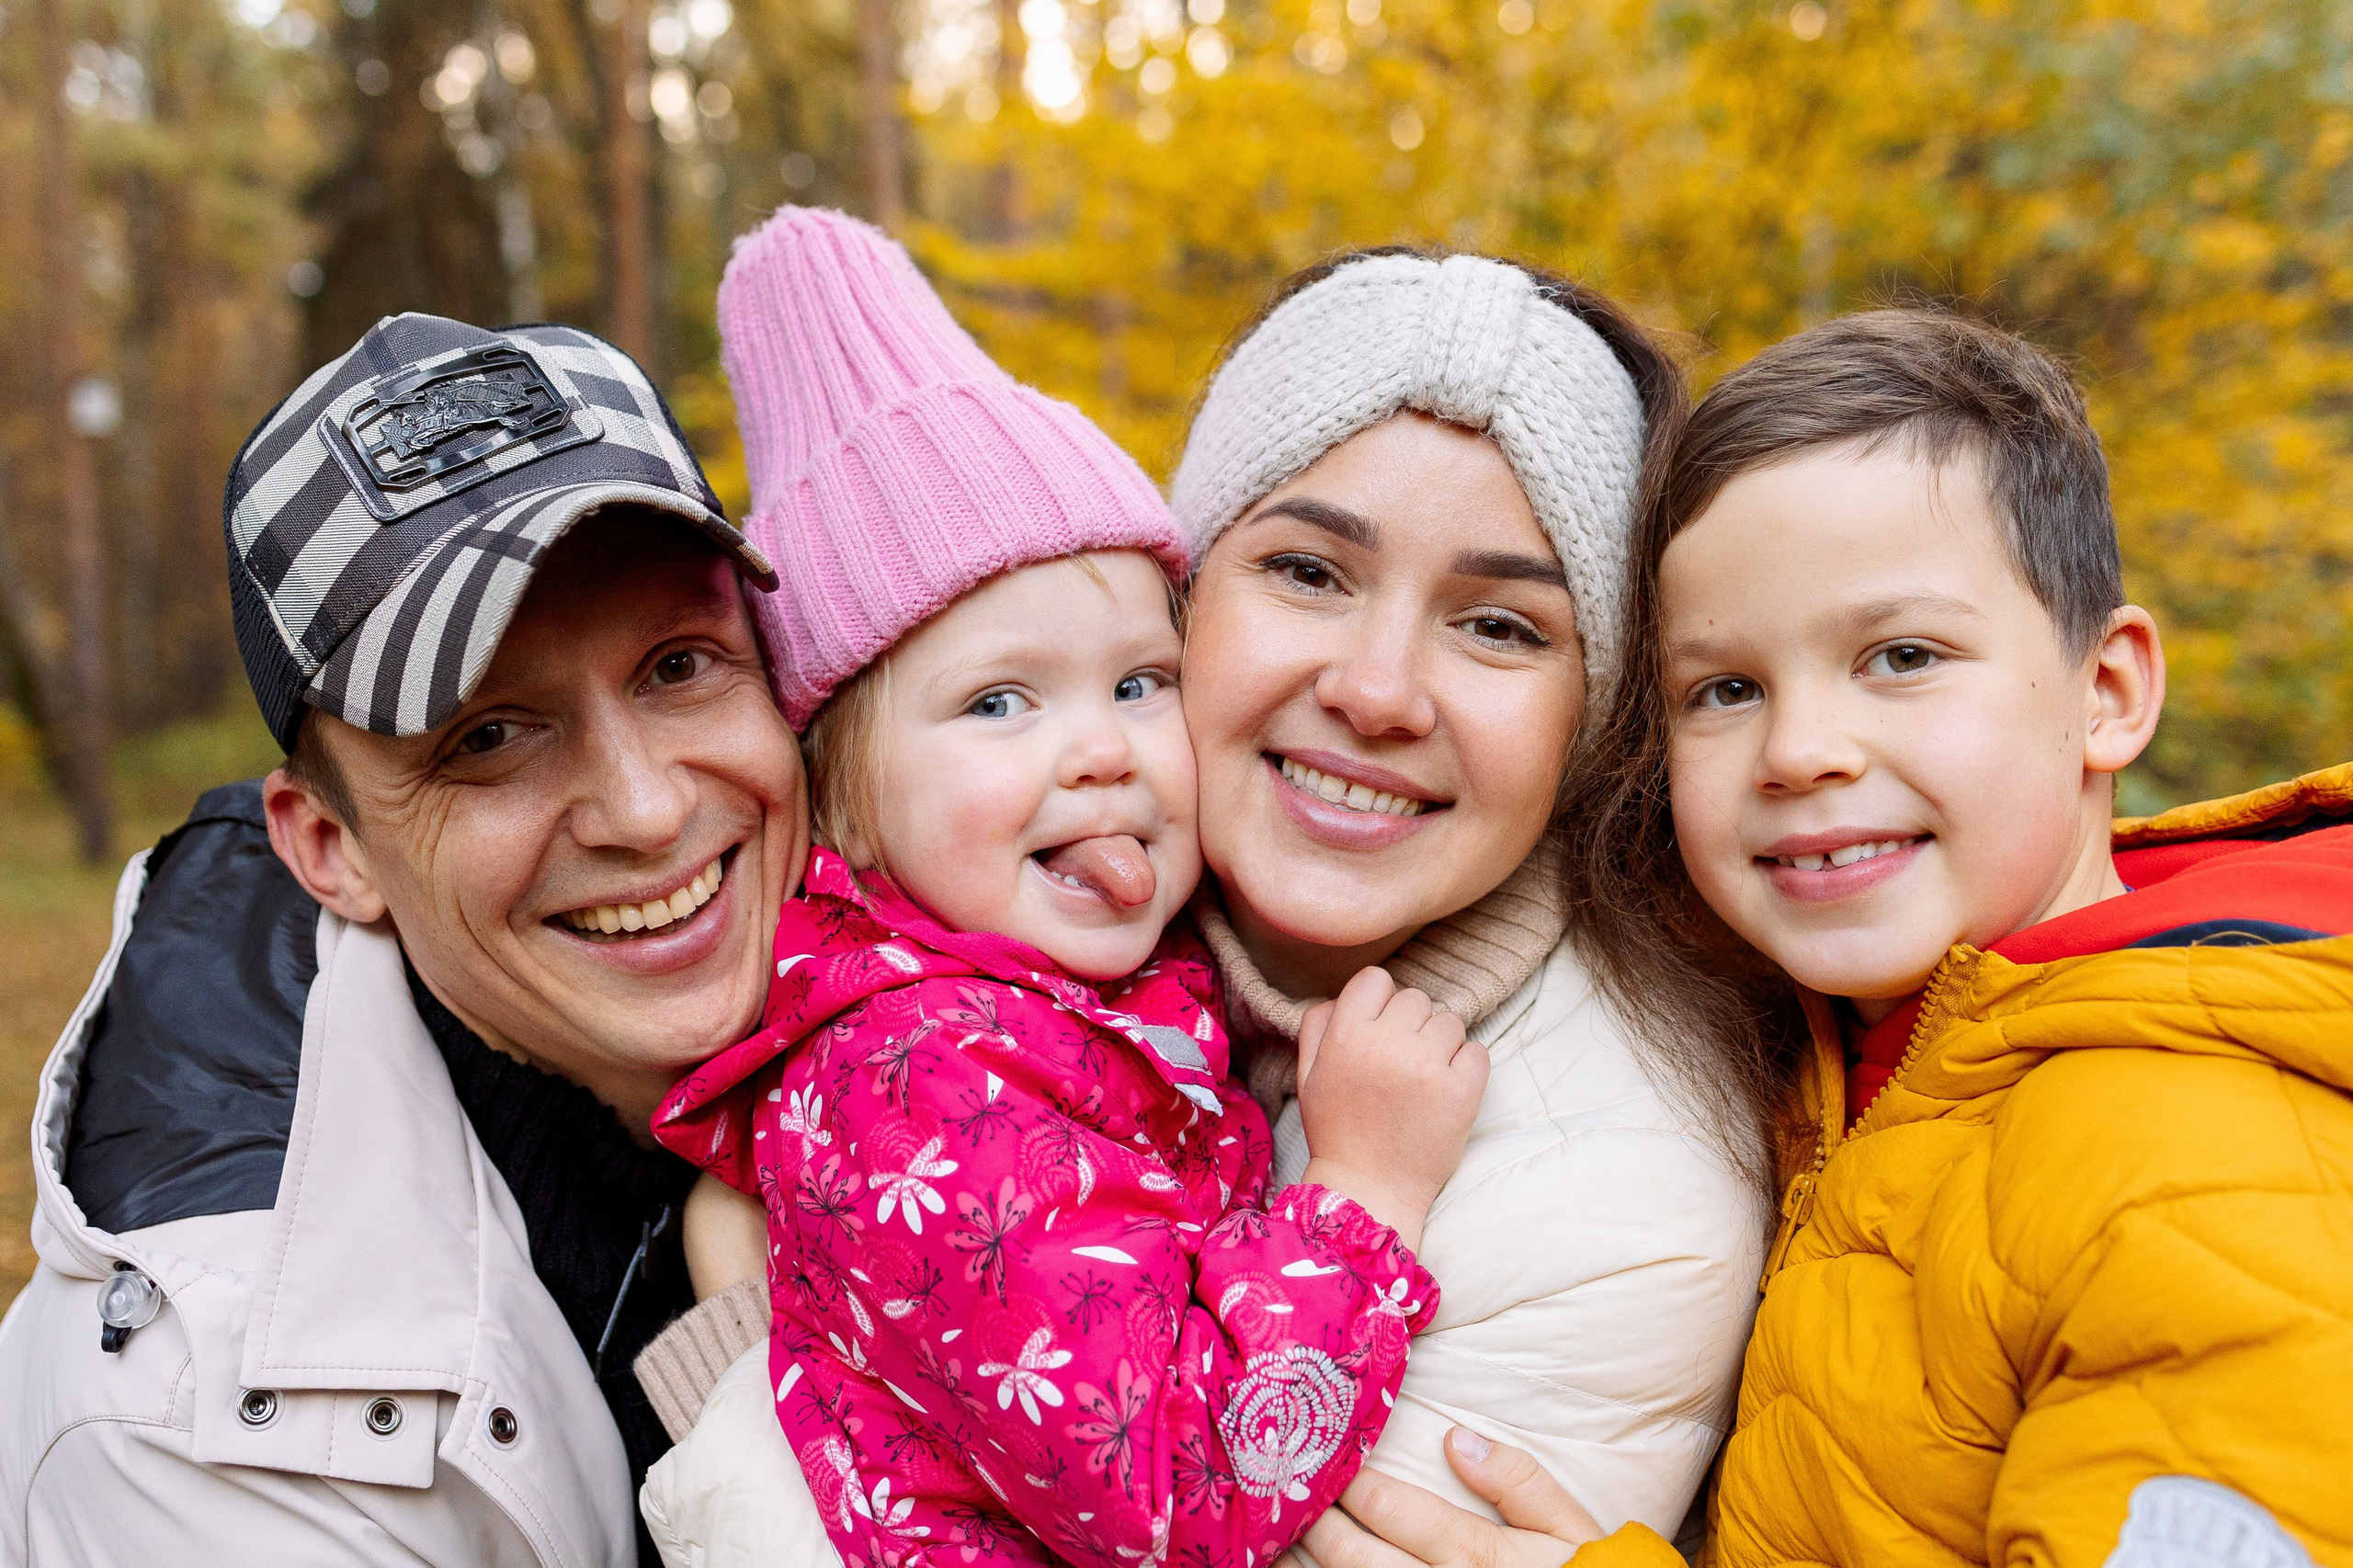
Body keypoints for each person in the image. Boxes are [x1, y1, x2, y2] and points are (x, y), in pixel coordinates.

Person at [639, 248, 1790, 1551]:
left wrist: (745, 1361)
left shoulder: (1614, 1193)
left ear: (1596, 716)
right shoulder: (1015, 1007)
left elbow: (1177, 1495)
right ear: (1194, 592)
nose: (1378, 689)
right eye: (1309, 571)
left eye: (1500, 627)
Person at [1301, 310, 2353, 1567]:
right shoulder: (1855, 1056)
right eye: (1725, 690)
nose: (1799, 751)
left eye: (1902, 655)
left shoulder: (2195, 1163)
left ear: (2107, 691)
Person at [0, 312, 808, 1566]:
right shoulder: (191, 1436)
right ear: (332, 846)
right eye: (489, 736)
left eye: (678, 665)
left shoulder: (1013, 983)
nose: (648, 808)